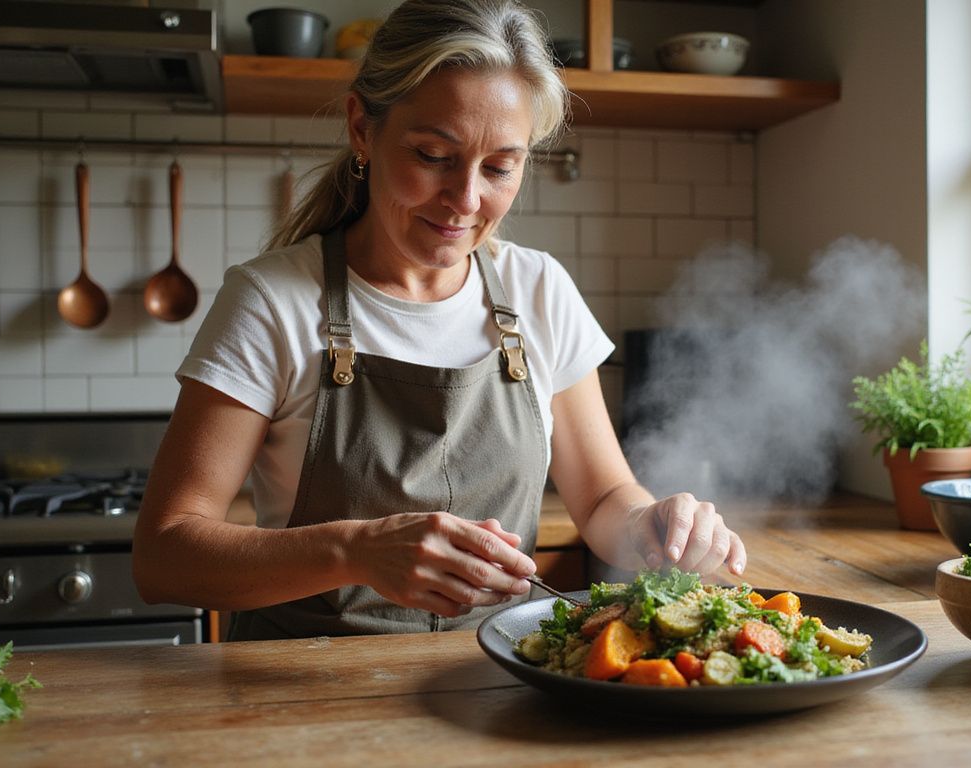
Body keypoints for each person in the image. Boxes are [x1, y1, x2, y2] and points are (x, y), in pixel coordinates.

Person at [131, 0, 747, 641]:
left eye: (501, 168)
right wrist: (357, 551)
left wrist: (654, 522)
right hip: (305, 701)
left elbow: (599, 500)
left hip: (496, 686)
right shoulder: (272, 300)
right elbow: (164, 557)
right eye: (432, 155)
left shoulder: (540, 290)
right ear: (362, 130)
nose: (466, 200)